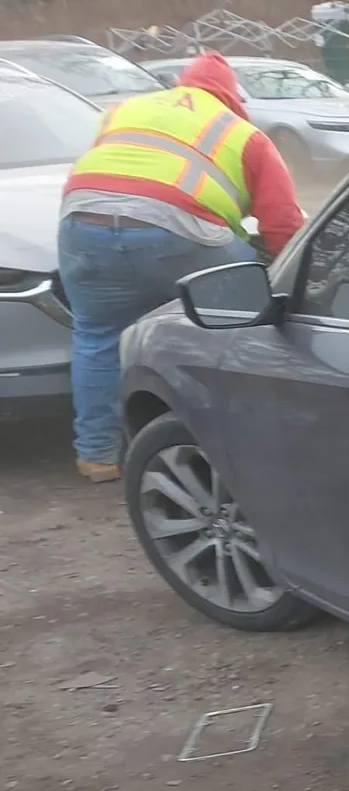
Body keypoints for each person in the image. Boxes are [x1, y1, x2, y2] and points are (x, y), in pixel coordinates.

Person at [59, 51, 304, 482]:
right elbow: (282, 224)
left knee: (96, 336)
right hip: (177, 232)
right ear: (232, 97)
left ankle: (97, 455)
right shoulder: (243, 134)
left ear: (180, 84)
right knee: (239, 318)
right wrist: (292, 283)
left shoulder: (123, 110)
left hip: (83, 224)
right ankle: (246, 439)